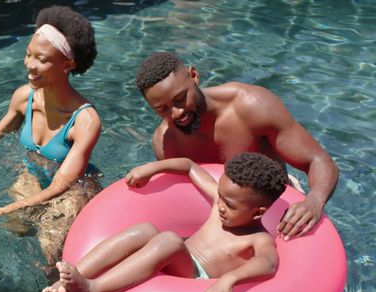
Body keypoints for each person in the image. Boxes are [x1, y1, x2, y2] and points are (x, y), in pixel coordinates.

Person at [41, 152, 288, 292]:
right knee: (146, 230)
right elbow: (190, 165)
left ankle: (91, 290)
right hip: (178, 252)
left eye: (230, 205)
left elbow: (268, 264)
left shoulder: (258, 239)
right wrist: (153, 168)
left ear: (257, 212)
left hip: (194, 277)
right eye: (220, 197)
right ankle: (67, 285)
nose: (220, 205)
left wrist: (228, 280)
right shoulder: (222, 202)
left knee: (169, 240)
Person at [135, 51, 338, 241]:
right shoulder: (166, 143)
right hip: (223, 219)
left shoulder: (251, 106)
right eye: (162, 109)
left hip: (274, 206)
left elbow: (318, 160)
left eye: (180, 99)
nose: (176, 113)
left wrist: (315, 200)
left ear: (194, 75)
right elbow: (183, 203)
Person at [0, 6, 102, 267]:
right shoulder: (23, 97)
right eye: (28, 54)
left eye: (41, 59)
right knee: (14, 231)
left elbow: (60, 186)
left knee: (49, 253)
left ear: (68, 65)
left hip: (71, 191)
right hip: (32, 177)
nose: (30, 64)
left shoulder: (86, 120)